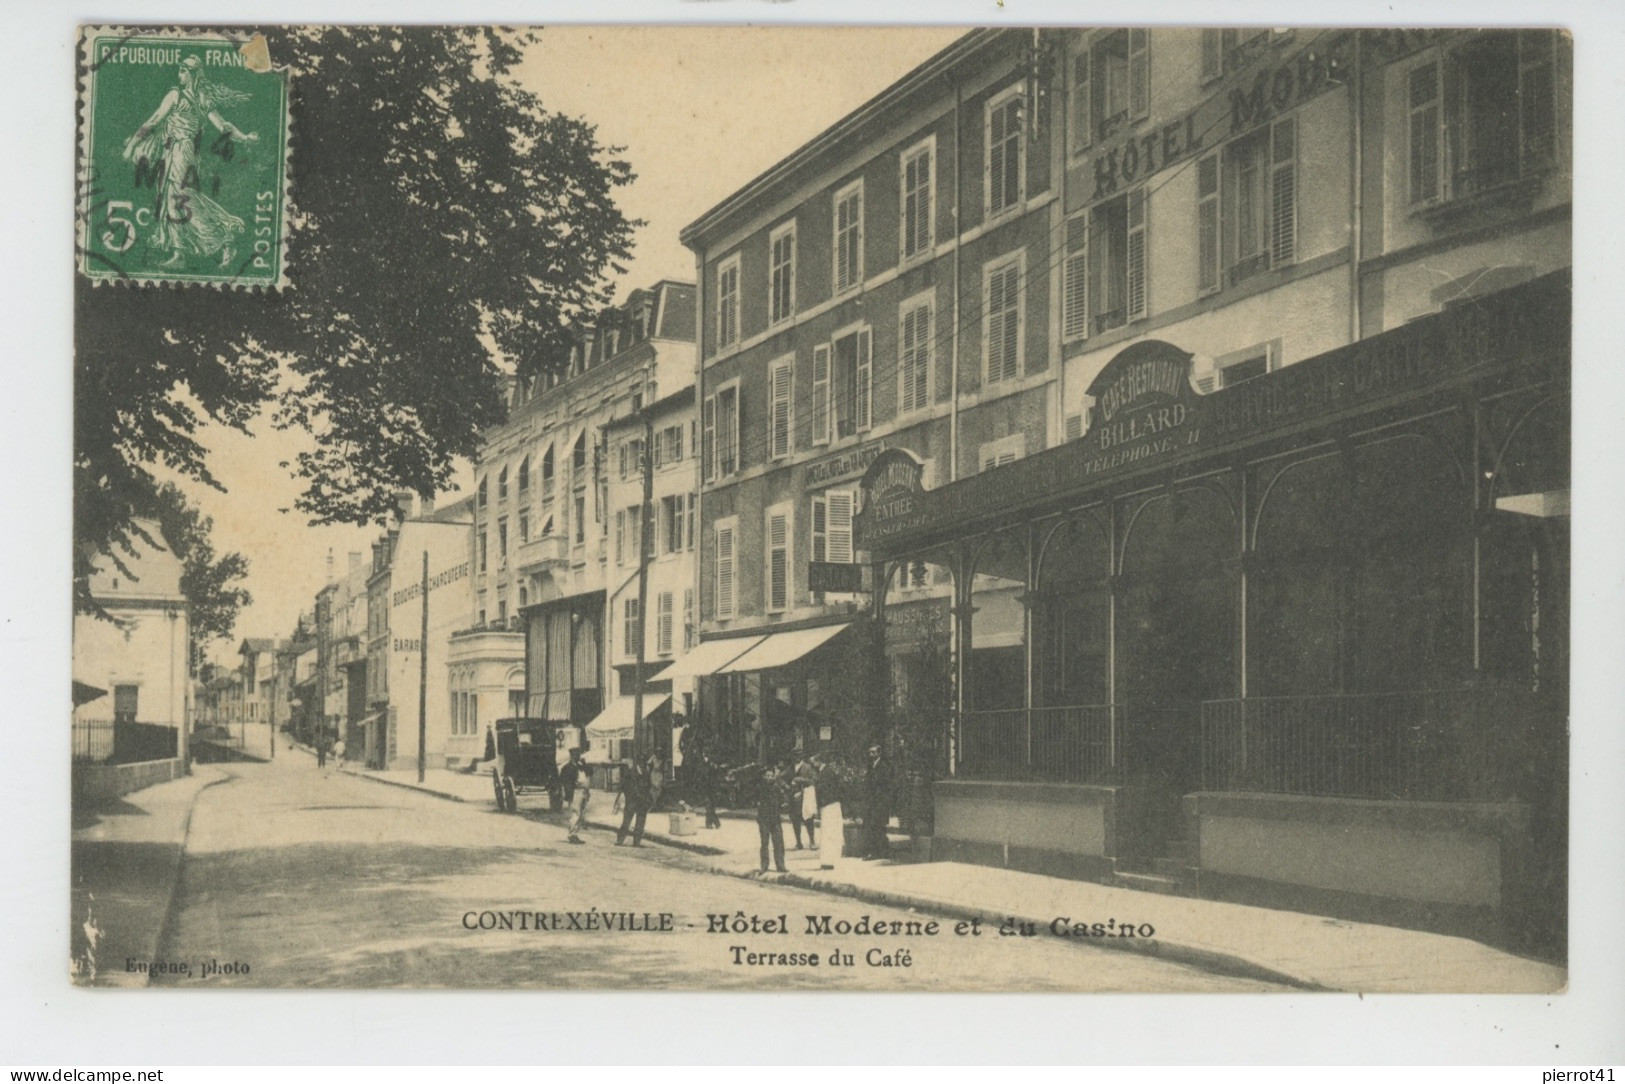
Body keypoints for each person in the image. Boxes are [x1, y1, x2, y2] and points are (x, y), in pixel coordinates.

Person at [121, 56, 260, 268]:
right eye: (179, 70)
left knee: (181, 197)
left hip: (181, 150)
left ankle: (223, 238)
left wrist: (132, 144)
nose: (179, 75)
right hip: (178, 151)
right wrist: (244, 137)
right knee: (173, 198)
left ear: (193, 73)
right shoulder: (201, 97)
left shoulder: (177, 95)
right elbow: (224, 127)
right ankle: (180, 253)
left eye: (183, 71)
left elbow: (154, 120)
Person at [746, 763, 788, 874]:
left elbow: (782, 800)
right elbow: (753, 798)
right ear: (764, 776)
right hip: (764, 818)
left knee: (778, 842)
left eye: (771, 775)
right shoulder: (760, 787)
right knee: (764, 843)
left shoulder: (776, 787)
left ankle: (781, 865)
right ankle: (764, 866)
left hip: (775, 819)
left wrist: (783, 803)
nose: (769, 777)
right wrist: (757, 803)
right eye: (767, 775)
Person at [813, 754, 844, 870]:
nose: (813, 764)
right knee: (830, 833)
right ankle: (829, 860)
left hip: (829, 805)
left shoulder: (825, 773)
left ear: (819, 761)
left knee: (828, 833)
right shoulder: (827, 771)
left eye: (814, 762)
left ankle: (828, 861)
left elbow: (824, 790)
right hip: (832, 804)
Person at [862, 743, 892, 860]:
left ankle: (878, 852)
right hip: (872, 802)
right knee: (874, 827)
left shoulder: (884, 766)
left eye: (873, 752)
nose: (871, 754)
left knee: (878, 827)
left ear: (879, 753)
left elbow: (885, 785)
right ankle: (880, 851)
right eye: (870, 752)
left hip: (880, 802)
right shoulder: (871, 765)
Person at [615, 757, 653, 847]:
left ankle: (637, 841)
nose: (643, 764)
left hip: (642, 800)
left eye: (644, 763)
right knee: (626, 821)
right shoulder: (630, 772)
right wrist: (629, 796)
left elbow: (649, 785)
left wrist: (646, 797)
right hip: (632, 800)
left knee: (640, 821)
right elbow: (624, 786)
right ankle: (620, 839)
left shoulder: (646, 773)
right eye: (641, 762)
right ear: (637, 762)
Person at [560, 747, 590, 844]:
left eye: (579, 754)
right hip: (575, 792)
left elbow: (591, 772)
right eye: (577, 754)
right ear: (572, 755)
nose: (578, 756)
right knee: (575, 813)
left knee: (580, 814)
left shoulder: (580, 766)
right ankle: (572, 835)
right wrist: (569, 793)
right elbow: (564, 781)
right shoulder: (568, 767)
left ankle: (575, 834)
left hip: (583, 791)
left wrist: (584, 764)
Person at [788, 755, 817, 850]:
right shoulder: (790, 767)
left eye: (799, 754)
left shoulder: (808, 767)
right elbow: (780, 777)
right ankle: (798, 843)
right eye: (795, 754)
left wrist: (800, 780)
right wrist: (786, 786)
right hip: (793, 797)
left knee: (809, 820)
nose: (797, 756)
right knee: (795, 820)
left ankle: (812, 842)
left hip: (805, 797)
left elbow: (813, 781)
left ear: (802, 756)